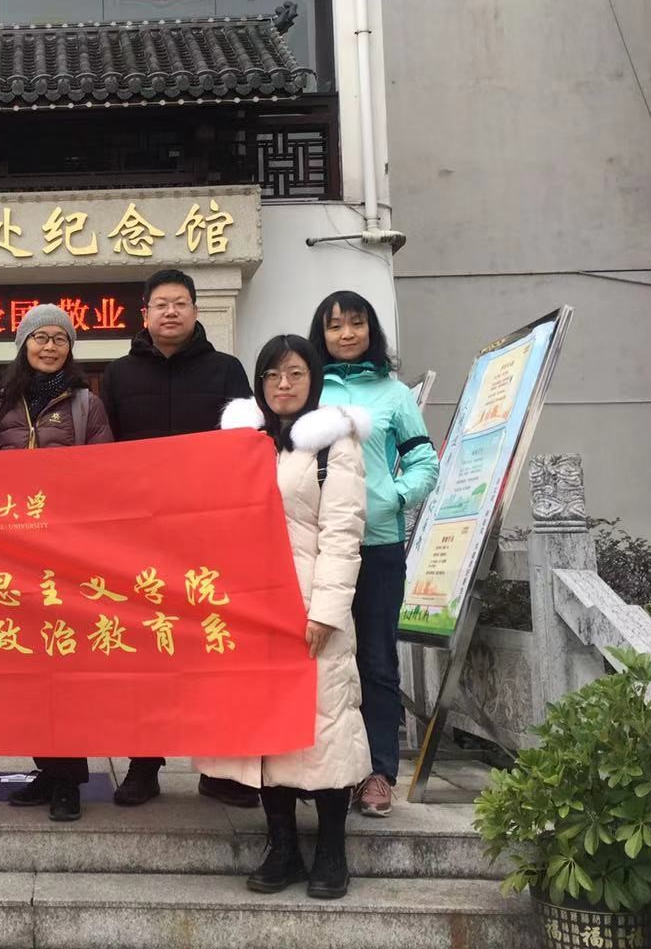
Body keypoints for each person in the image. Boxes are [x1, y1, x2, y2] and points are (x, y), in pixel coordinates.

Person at [203, 333, 371, 900]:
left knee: (323, 727)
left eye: (296, 374)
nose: (283, 384)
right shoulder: (241, 442)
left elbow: (343, 533)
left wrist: (326, 611)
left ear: (314, 380)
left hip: (308, 607)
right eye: (273, 375)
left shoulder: (333, 445)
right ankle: (282, 846)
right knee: (265, 729)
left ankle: (331, 850)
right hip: (253, 609)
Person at [98, 268, 254, 807]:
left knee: (211, 649)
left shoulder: (227, 370)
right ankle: (143, 765)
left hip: (209, 535)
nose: (171, 312)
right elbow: (104, 454)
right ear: (144, 313)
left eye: (180, 303)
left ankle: (220, 769)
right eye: (161, 304)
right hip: (141, 540)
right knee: (145, 653)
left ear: (195, 310)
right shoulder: (118, 375)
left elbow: (247, 448)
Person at [309, 290, 440, 818]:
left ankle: (379, 772)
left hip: (378, 546)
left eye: (356, 323)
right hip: (318, 548)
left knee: (377, 661)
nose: (346, 334)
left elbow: (425, 463)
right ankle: (329, 770)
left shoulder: (394, 394)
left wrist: (389, 500)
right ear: (320, 334)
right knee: (321, 659)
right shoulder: (308, 387)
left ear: (371, 330)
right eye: (334, 325)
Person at [0, 303, 113, 822]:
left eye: (60, 338)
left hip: (68, 553)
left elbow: (103, 474)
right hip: (14, 552)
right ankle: (45, 767)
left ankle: (68, 780)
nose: (50, 346)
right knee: (27, 667)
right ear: (23, 345)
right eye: (40, 337)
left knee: (66, 666)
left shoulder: (85, 404)